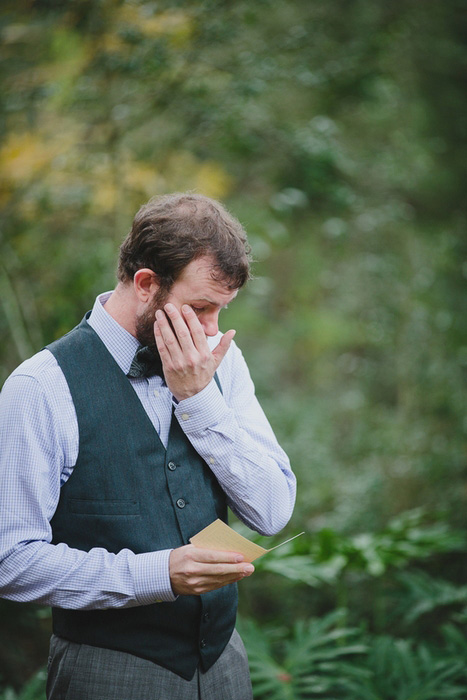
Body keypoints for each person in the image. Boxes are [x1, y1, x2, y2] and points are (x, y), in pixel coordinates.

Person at [0, 193, 296, 699]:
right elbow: (11, 561)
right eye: (201, 308)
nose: (210, 331)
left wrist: (201, 402)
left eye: (220, 311)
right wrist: (157, 574)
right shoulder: (40, 388)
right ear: (146, 284)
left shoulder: (222, 361)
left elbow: (271, 513)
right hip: (107, 672)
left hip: (226, 664)